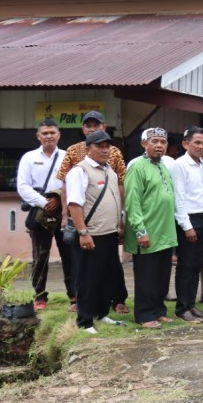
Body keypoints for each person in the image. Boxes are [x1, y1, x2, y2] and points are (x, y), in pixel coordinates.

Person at [57, 110, 129, 314]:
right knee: (84, 269)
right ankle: (83, 308)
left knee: (111, 265)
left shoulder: (113, 153)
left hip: (108, 225)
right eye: (88, 126)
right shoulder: (74, 153)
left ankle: (115, 301)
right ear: (83, 130)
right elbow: (67, 189)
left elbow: (120, 185)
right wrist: (67, 217)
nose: (92, 129)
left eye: (96, 125)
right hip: (87, 225)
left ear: (103, 127)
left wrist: (121, 218)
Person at [65, 130, 125, 334]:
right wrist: (83, 232)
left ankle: (101, 313)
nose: (105, 150)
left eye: (107, 146)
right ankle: (85, 321)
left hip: (109, 233)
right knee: (88, 279)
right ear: (88, 149)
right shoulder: (79, 171)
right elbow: (74, 204)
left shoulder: (109, 170)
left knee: (107, 276)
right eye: (100, 146)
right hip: (90, 235)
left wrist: (120, 225)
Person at [124, 127, 179, 328]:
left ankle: (159, 310)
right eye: (154, 141)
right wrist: (140, 230)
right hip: (147, 232)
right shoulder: (137, 167)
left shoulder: (163, 166)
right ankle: (145, 314)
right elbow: (133, 202)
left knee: (162, 275)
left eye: (163, 142)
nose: (159, 145)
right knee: (146, 276)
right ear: (144, 144)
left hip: (165, 232)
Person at [17, 118, 73, 310]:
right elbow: (23, 187)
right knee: (40, 256)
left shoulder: (68, 156)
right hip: (39, 212)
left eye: (52, 133)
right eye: (45, 133)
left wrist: (58, 200)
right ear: (38, 136)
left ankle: (74, 296)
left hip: (64, 211)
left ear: (59, 135)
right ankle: (40, 296)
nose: (49, 136)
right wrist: (44, 202)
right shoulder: (29, 158)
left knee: (69, 255)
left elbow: (73, 183)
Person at [168, 126, 203, 323]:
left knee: (196, 266)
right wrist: (187, 226)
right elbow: (179, 197)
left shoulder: (202, 163)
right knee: (186, 266)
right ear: (186, 144)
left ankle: (191, 305)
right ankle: (182, 308)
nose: (201, 146)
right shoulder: (180, 165)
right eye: (197, 142)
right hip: (189, 220)